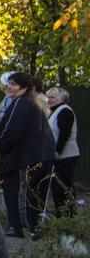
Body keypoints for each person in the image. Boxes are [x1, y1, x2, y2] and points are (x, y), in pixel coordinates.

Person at [0, 72, 55, 238]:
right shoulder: (32, 103)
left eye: (13, 84)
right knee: (34, 194)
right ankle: (34, 228)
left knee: (20, 192)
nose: (9, 87)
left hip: (22, 157)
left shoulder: (21, 103)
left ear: (24, 87)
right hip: (38, 156)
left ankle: (17, 227)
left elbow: (12, 131)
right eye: (9, 83)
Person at [46, 86, 79, 217]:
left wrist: (57, 152)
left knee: (63, 187)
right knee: (57, 187)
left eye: (52, 97)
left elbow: (64, 134)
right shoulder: (55, 111)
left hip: (66, 155)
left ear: (62, 99)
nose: (49, 99)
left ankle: (68, 215)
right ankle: (62, 215)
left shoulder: (65, 111)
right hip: (59, 156)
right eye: (48, 96)